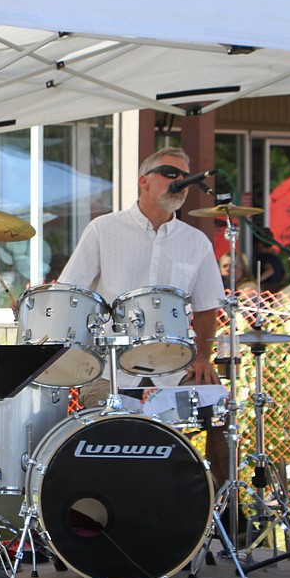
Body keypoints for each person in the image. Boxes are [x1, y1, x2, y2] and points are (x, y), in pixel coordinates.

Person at [58, 147, 229, 491]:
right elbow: (70, 293)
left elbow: (209, 306)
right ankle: (120, 507)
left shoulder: (195, 242)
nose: (180, 182)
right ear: (144, 181)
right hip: (111, 373)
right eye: (170, 173)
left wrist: (202, 358)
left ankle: (219, 505)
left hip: (174, 370)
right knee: (122, 433)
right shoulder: (103, 229)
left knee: (221, 407)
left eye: (186, 177)